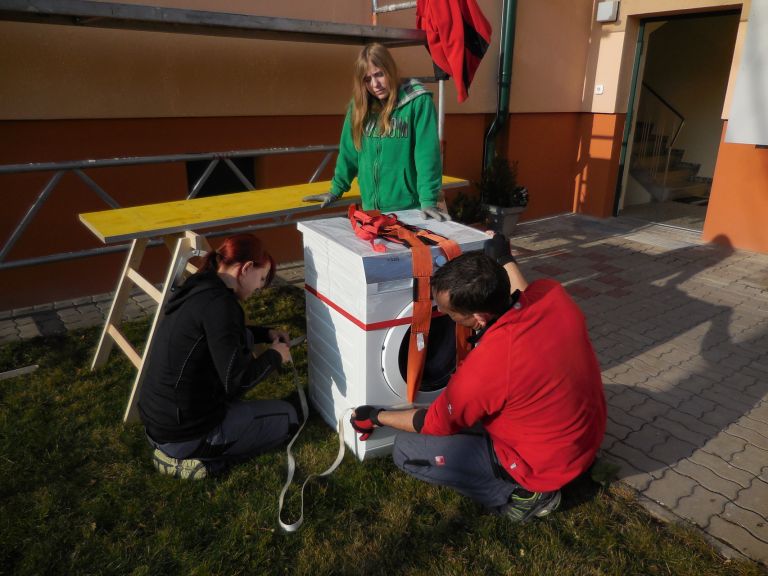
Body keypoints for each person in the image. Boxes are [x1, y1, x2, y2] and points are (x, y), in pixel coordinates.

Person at [350, 234, 606, 522]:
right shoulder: (554, 295)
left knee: (405, 450)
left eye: (451, 315)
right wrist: (504, 256)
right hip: (585, 440)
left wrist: (376, 415)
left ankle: (524, 497)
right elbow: (525, 291)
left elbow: (434, 423)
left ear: (479, 318)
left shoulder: (488, 365)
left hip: (542, 465)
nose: (445, 318)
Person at [138, 233, 299, 479]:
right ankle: (199, 461)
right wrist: (275, 357)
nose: (259, 287)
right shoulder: (222, 307)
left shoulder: (201, 286)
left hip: (160, 423)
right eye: (261, 278)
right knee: (289, 418)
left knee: (244, 341)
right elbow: (238, 382)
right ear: (246, 268)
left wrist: (265, 334)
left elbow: (224, 336)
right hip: (187, 432)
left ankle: (172, 449)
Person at [302, 42, 450, 221]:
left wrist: (428, 200)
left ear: (391, 70)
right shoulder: (359, 107)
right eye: (367, 79)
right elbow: (349, 153)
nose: (375, 84)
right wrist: (336, 190)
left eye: (379, 74)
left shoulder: (418, 103)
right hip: (371, 211)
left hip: (410, 211)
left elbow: (427, 156)